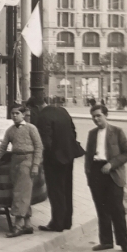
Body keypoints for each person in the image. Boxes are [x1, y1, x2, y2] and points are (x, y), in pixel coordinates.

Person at [0, 105, 44, 237]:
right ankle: (28, 224)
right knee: (22, 192)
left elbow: (39, 147)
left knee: (20, 193)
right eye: (12, 113)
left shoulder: (31, 128)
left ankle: (18, 226)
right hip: (15, 161)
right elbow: (2, 148)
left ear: (23, 115)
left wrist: (35, 165)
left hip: (27, 161)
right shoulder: (10, 130)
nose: (14, 116)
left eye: (17, 113)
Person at [85, 104, 127, 252]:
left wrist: (111, 164)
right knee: (101, 208)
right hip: (96, 173)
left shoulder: (117, 132)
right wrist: (89, 175)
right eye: (93, 116)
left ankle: (124, 243)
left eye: (99, 115)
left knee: (117, 209)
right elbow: (88, 156)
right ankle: (106, 241)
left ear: (106, 115)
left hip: (112, 173)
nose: (96, 119)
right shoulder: (92, 133)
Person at [30, 94, 81, 232]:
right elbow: (73, 131)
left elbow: (46, 141)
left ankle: (57, 223)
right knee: (67, 188)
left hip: (54, 159)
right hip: (68, 155)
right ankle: (67, 221)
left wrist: (42, 157)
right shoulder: (62, 111)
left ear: (36, 107)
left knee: (55, 191)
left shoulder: (42, 116)